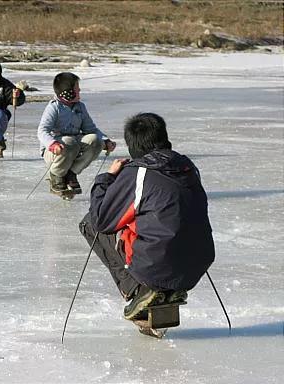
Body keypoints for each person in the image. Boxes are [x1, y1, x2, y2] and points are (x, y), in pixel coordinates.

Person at [80, 112, 215, 320]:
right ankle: (169, 290)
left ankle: (137, 290)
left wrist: (107, 178)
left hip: (157, 264)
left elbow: (102, 220)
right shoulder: (188, 166)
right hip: (198, 263)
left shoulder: (138, 173)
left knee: (90, 223)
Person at [37, 72, 116, 194]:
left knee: (95, 140)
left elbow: (91, 129)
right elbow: (42, 131)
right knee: (69, 141)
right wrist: (52, 144)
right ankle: (56, 175)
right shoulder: (54, 108)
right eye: (77, 89)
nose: (79, 91)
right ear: (68, 93)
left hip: (73, 147)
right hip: (55, 152)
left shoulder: (80, 107)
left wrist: (106, 140)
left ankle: (71, 173)